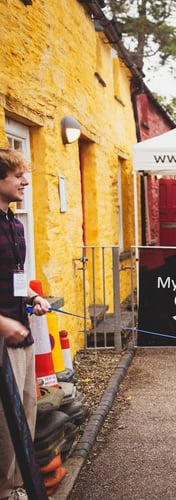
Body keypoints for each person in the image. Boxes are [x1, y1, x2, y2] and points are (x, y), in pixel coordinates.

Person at [0, 148, 51, 500]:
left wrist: (32, 298)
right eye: (17, 175)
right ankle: (6, 490)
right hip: (4, 338)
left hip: (23, 331)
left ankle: (18, 486)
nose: (25, 181)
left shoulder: (14, 224)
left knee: (27, 410)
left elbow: (17, 277)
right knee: (5, 423)